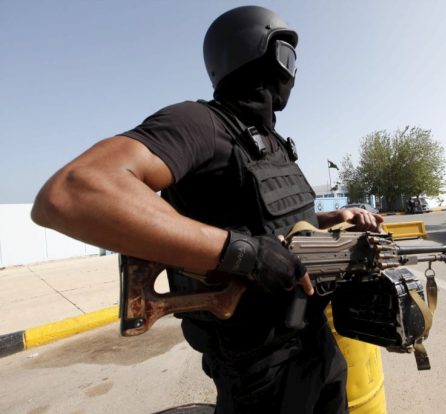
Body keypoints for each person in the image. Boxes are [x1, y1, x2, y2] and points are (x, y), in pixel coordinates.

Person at [31, 6, 383, 413]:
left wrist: (331, 221)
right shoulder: (200, 123)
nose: (293, 73)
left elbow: (269, 226)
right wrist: (245, 255)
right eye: (286, 57)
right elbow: (73, 191)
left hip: (314, 342)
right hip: (259, 367)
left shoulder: (272, 142)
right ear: (253, 52)